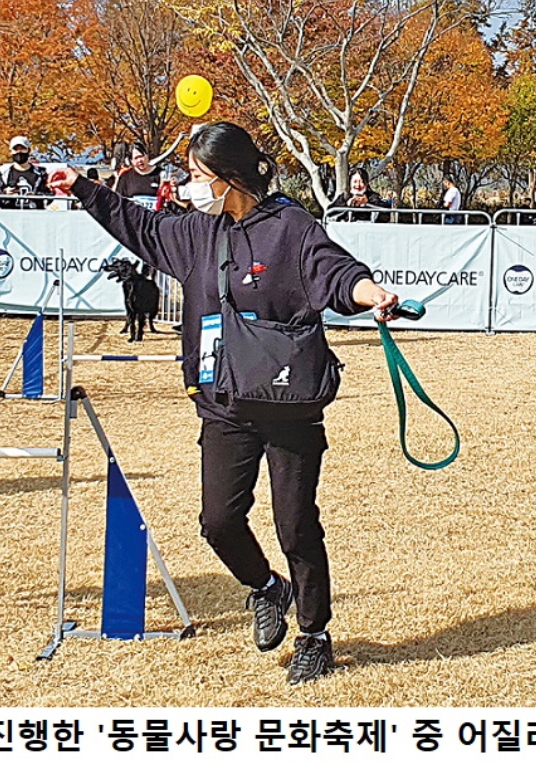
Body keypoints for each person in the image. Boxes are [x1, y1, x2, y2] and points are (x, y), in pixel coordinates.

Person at [49, 121, 398, 685]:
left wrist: (372, 294)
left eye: (196, 175)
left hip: (288, 403)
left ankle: (314, 634)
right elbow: (137, 225)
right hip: (222, 403)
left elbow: (336, 273)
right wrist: (83, 188)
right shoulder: (194, 234)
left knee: (296, 526)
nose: (188, 185)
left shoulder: (290, 227)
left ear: (229, 178)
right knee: (218, 522)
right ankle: (266, 588)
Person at [0, 135, 50, 210]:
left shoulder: (40, 174)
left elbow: (49, 195)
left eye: (22, 148)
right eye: (15, 149)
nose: (19, 151)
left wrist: (36, 196)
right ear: (11, 152)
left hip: (35, 216)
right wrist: (4, 193)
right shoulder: (3, 174)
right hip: (8, 216)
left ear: (29, 150)